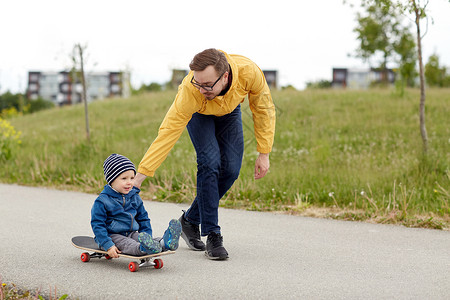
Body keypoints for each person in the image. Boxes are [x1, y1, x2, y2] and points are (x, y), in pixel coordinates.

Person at [134, 48, 276, 260]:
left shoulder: (249, 72)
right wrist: (140, 175)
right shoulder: (191, 92)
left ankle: (189, 220)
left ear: (225, 76)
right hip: (200, 115)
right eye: (197, 83)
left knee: (230, 170)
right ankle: (213, 234)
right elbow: (168, 133)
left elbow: (263, 109)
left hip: (229, 112)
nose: (202, 89)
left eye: (208, 85)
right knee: (209, 163)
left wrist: (264, 152)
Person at [91, 153, 182, 258]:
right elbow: (98, 224)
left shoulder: (134, 197)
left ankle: (165, 242)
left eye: (132, 178)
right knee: (128, 244)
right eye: (124, 179)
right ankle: (143, 249)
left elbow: (143, 219)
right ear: (111, 180)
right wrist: (108, 245)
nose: (129, 182)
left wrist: (147, 236)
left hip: (131, 233)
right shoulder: (102, 201)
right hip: (111, 236)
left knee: (141, 238)